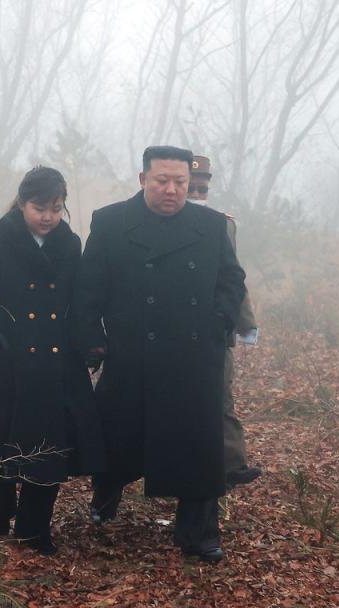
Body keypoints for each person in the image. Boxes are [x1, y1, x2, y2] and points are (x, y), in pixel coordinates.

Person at [75, 145, 246, 562]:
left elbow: (231, 280)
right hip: (131, 353)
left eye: (180, 183)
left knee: (198, 446)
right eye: (162, 181)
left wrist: (217, 323)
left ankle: (199, 533)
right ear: (142, 179)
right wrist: (90, 338)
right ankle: (105, 495)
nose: (171, 190)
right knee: (118, 437)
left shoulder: (211, 225)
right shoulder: (111, 221)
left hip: (193, 359)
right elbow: (88, 288)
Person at [0, 166, 105, 555]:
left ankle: (33, 529)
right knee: (3, 441)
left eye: (56, 208)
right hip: (9, 358)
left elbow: (78, 302)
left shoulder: (69, 243)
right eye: (39, 207)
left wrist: (92, 343)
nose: (47, 217)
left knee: (50, 445)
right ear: (22, 203)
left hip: (57, 361)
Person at [188, 155, 262, 489]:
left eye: (202, 187)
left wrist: (244, 323)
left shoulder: (222, 223)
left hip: (214, 326)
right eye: (192, 187)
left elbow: (234, 275)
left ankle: (232, 464)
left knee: (221, 398)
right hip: (172, 326)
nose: (197, 193)